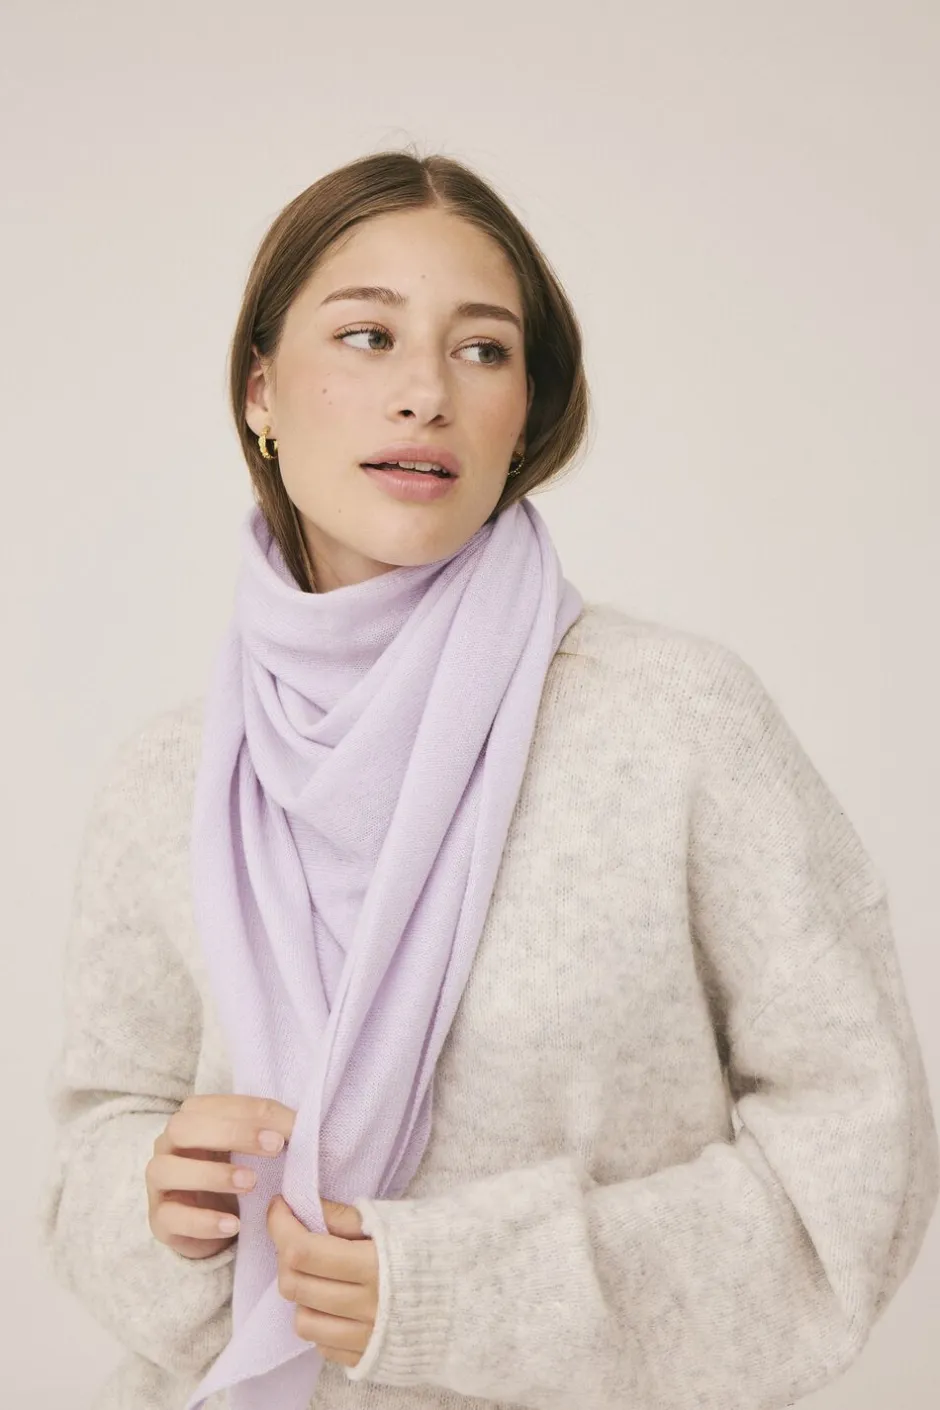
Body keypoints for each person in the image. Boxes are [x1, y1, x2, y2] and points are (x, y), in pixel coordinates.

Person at [40, 148, 939, 1410]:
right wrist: (158, 1207)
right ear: (260, 389)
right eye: (367, 337)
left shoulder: (676, 725)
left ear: (525, 414)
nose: (426, 394)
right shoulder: (169, 778)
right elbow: (95, 1140)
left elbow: (854, 1161)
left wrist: (471, 1295)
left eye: (481, 351)